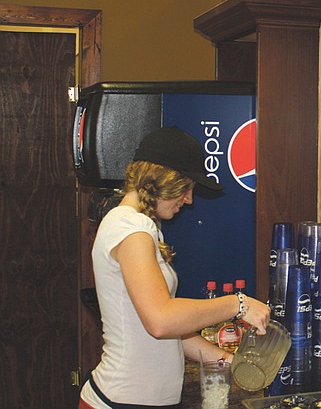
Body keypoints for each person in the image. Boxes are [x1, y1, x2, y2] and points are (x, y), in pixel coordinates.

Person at [79, 126, 271, 408]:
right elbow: (161, 320)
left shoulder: (141, 226)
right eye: (186, 187)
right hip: (120, 401)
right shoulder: (129, 227)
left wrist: (229, 360)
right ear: (162, 180)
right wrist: (238, 304)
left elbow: (169, 333)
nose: (190, 199)